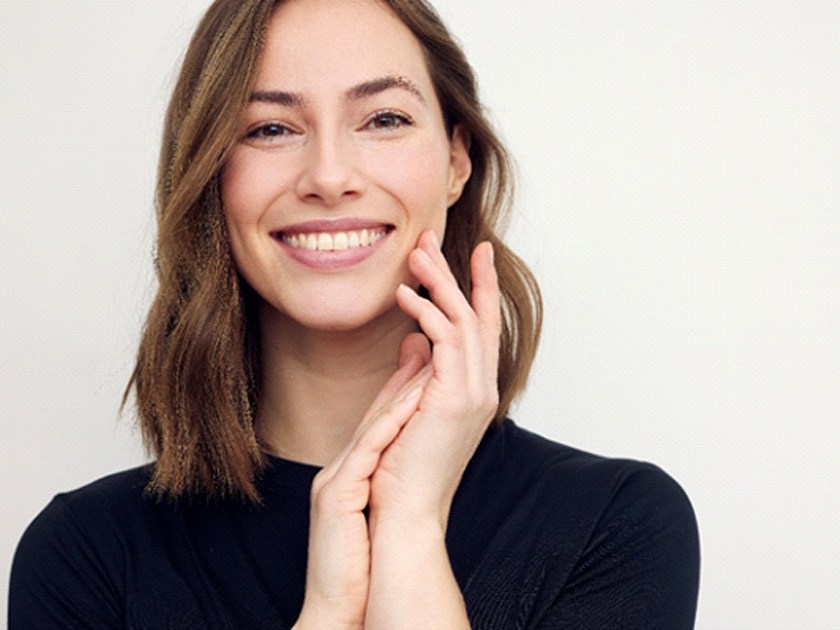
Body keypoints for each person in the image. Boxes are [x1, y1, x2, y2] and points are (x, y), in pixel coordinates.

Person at [9, 0, 700, 628]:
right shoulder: (84, 558)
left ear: (458, 159)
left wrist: (409, 528)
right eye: (270, 128)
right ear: (209, 172)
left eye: (385, 119)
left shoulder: (615, 525)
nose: (329, 176)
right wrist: (329, 610)